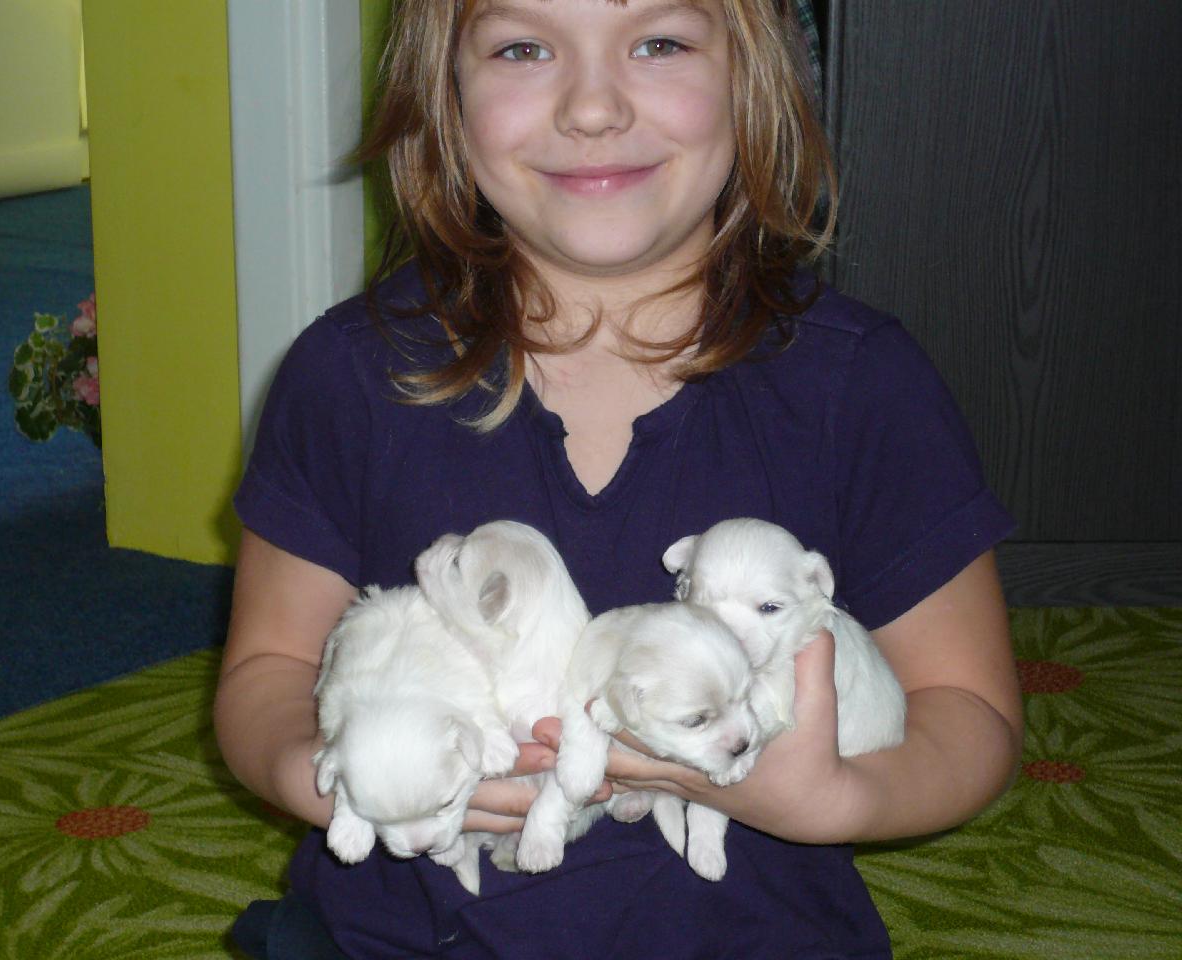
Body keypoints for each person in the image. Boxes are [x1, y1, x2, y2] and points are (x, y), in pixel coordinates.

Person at [215, 0, 1024, 957]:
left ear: (753, 76)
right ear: (444, 92)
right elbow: (268, 671)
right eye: (523, 48)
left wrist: (834, 798)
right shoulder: (346, 375)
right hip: (395, 937)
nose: (592, 107)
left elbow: (968, 712)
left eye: (659, 43)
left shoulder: (864, 384)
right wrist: (329, 774)